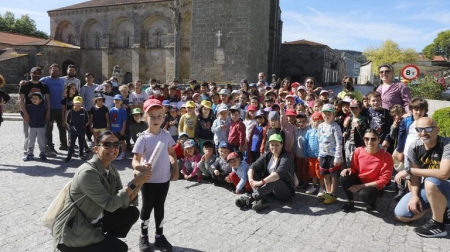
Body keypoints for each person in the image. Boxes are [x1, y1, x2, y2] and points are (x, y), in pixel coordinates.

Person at [52, 131, 151, 252]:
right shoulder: (87, 173)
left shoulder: (111, 169)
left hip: (92, 221)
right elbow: (110, 205)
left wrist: (140, 183)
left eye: (116, 144)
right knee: (120, 248)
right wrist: (134, 182)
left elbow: (123, 203)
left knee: (131, 213)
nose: (112, 148)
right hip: (73, 230)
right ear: (95, 148)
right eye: (107, 144)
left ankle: (104, 242)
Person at [132, 99, 179, 252]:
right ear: (145, 118)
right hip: (148, 180)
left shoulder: (166, 135)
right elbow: (135, 160)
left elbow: (171, 153)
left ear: (164, 117)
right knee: (146, 208)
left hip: (164, 179)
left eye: (160, 116)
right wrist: (140, 167)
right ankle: (143, 235)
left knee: (160, 207)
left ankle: (159, 236)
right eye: (152, 116)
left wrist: (175, 167)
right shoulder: (143, 138)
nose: (156, 119)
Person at [394, 117, 450, 238]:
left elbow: (444, 174)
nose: (423, 133)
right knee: (401, 215)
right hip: (434, 188)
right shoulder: (414, 147)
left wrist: (408, 170)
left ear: (437, 130)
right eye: (419, 129)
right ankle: (441, 208)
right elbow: (415, 176)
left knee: (430, 182)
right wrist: (414, 196)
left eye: (428, 129)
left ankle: (437, 225)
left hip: (445, 186)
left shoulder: (447, 144)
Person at [235, 134, 296, 211]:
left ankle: (251, 198)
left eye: (277, 145)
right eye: (272, 145)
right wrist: (251, 179)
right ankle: (262, 200)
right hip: (269, 190)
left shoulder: (286, 157)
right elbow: (252, 166)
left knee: (274, 180)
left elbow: (277, 174)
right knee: (254, 172)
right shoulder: (268, 155)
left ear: (282, 145)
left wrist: (261, 182)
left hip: (285, 192)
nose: (274, 147)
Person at [340, 129, 394, 212]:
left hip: (375, 185)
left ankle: (372, 202)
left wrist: (360, 186)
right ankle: (350, 202)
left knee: (365, 195)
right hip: (360, 179)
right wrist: (348, 169)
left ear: (379, 140)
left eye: (373, 139)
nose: (369, 142)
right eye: (366, 139)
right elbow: (354, 168)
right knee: (344, 177)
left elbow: (384, 180)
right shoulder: (358, 150)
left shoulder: (386, 156)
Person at [19, 67, 50, 157]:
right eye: (34, 73)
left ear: (40, 74)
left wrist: (48, 113)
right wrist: (25, 113)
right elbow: (21, 99)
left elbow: (47, 100)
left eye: (38, 73)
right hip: (28, 112)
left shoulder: (44, 86)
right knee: (28, 134)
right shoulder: (24, 85)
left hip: (41, 113)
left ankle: (43, 151)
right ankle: (28, 152)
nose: (36, 75)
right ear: (30, 73)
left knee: (41, 134)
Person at [318, 104, 343, 204]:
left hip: (333, 156)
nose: (326, 115)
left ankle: (332, 193)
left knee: (333, 175)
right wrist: (319, 154)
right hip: (323, 154)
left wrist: (338, 157)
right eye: (324, 113)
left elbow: (339, 142)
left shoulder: (335, 127)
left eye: (329, 113)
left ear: (333, 115)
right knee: (325, 175)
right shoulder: (320, 126)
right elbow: (319, 140)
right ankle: (328, 192)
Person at [40, 63, 67, 154]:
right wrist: (23, 83)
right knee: (49, 128)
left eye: (57, 70)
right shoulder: (44, 80)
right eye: (53, 70)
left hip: (61, 108)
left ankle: (64, 144)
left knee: (62, 127)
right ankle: (50, 146)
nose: (55, 72)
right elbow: (34, 84)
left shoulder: (62, 81)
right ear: (50, 70)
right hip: (49, 109)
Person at [23, 92, 47, 161]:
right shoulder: (28, 107)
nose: (34, 100)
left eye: (36, 98)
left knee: (41, 140)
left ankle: (42, 153)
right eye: (33, 98)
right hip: (32, 126)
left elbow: (46, 114)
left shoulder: (43, 107)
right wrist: (25, 118)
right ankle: (30, 153)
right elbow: (23, 112)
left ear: (40, 100)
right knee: (31, 140)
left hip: (41, 126)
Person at [65, 96, 89, 163]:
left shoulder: (84, 111)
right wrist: (70, 126)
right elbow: (67, 120)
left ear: (81, 103)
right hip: (72, 131)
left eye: (79, 103)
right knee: (70, 144)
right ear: (73, 103)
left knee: (81, 143)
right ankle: (69, 156)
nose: (78, 105)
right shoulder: (71, 111)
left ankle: (81, 154)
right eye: (76, 103)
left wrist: (84, 126)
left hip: (81, 131)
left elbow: (87, 120)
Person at [110, 94, 128, 161]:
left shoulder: (123, 110)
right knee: (114, 142)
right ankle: (115, 153)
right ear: (113, 101)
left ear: (121, 102)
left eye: (119, 100)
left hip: (120, 129)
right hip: (113, 129)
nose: (117, 101)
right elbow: (110, 119)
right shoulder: (111, 109)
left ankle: (123, 154)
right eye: (116, 100)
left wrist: (123, 129)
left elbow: (124, 121)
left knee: (122, 141)